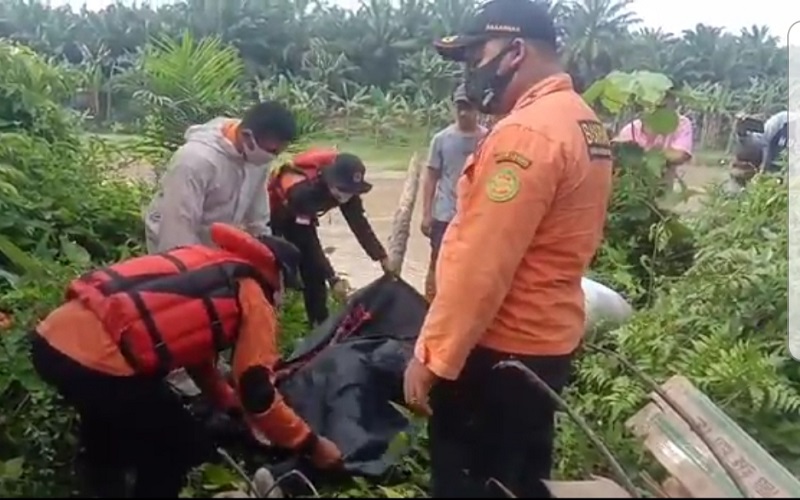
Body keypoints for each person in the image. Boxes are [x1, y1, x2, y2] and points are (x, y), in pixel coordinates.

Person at [401, 0, 613, 497]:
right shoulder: (582, 121)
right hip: (546, 347)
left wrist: (433, 357)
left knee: (473, 483)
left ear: (515, 52)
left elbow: (482, 264)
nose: (471, 73)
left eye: (477, 56)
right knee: (521, 480)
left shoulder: (526, 133)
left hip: (497, 353)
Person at [30, 223, 343, 498]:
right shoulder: (253, 294)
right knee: (179, 445)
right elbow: (256, 389)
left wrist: (227, 402)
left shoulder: (207, 262)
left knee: (108, 421)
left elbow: (193, 349)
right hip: (100, 367)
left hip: (50, 342)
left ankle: (100, 482)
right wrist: (312, 445)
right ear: (277, 275)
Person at [144, 101, 298, 253]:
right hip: (177, 243)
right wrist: (190, 263)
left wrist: (267, 248)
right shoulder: (194, 161)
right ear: (247, 136)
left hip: (217, 247)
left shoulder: (257, 157)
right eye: (272, 151)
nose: (273, 157)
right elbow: (177, 227)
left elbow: (257, 215)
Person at [267, 147, 393, 326]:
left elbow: (359, 224)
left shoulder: (346, 191)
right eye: (343, 190)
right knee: (296, 267)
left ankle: (319, 323)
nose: (345, 196)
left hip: (303, 220)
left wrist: (381, 257)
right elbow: (309, 243)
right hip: (277, 215)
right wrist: (333, 278)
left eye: (350, 191)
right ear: (329, 180)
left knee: (315, 275)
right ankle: (281, 316)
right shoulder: (303, 193)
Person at [421, 85, 487, 300]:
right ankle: (431, 305)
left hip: (476, 216)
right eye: (459, 107)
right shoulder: (441, 139)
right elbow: (431, 177)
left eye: (468, 107)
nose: (463, 113)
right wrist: (426, 214)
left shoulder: (488, 139)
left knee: (474, 266)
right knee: (437, 261)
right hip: (445, 215)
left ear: (477, 108)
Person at [614, 93, 693, 189]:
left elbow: (680, 155)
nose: (658, 112)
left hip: (663, 185)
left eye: (662, 106)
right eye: (654, 107)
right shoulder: (631, 129)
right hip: (633, 187)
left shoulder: (681, 124)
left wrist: (641, 154)